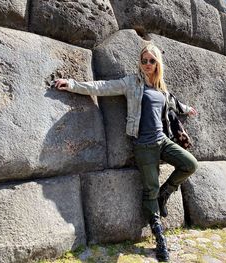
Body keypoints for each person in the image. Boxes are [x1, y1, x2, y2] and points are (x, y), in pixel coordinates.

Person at [55, 43, 198, 262]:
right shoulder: (132, 83)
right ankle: (160, 239)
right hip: (143, 146)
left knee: (190, 164)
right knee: (149, 190)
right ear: (139, 63)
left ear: (158, 62)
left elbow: (174, 103)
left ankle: (165, 193)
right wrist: (72, 84)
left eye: (151, 60)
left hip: (163, 141)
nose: (147, 64)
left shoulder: (161, 89)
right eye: (144, 60)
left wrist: (187, 109)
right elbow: (102, 87)